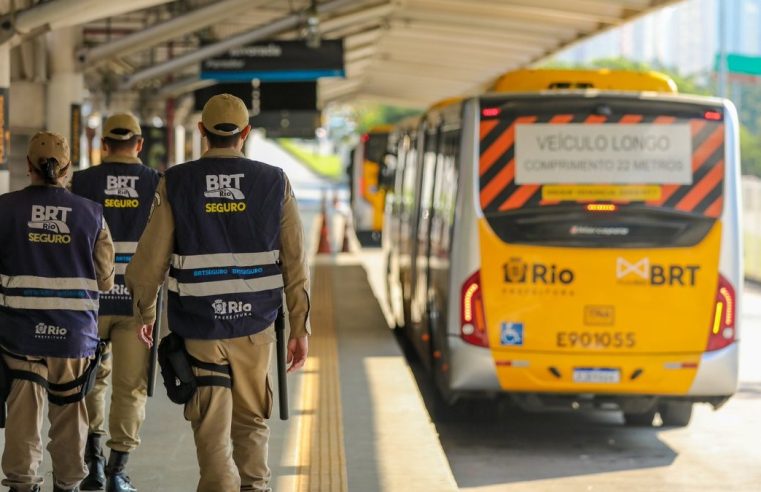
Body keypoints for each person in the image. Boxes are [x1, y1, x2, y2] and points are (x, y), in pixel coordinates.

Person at [125, 93, 310, 492]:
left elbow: (150, 258)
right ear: (245, 133)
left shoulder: (176, 181)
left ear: (201, 131)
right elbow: (295, 261)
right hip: (255, 327)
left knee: (210, 425)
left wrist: (145, 312)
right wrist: (300, 326)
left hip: (200, 328)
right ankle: (255, 487)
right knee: (251, 421)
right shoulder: (274, 181)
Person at [0, 132, 115, 492]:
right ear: (67, 169)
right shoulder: (91, 213)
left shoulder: (4, 208)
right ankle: (68, 484)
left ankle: (22, 484)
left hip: (19, 336)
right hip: (73, 337)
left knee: (24, 418)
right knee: (69, 417)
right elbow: (106, 280)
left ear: (28, 166)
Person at [70, 113, 160, 492]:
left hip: (91, 301)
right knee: (131, 385)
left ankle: (94, 466)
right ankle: (118, 469)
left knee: (91, 381)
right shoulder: (156, 182)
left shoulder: (82, 182)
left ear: (104, 145)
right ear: (138, 144)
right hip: (137, 304)